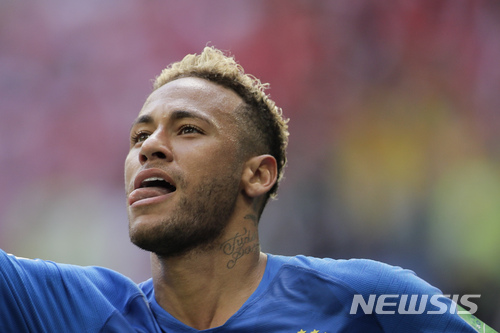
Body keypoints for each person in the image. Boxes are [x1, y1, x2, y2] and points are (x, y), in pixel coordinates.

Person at [0, 46, 494, 333]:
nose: (150, 146)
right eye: (138, 136)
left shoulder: (366, 299)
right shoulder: (75, 310)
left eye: (188, 129)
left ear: (258, 174)